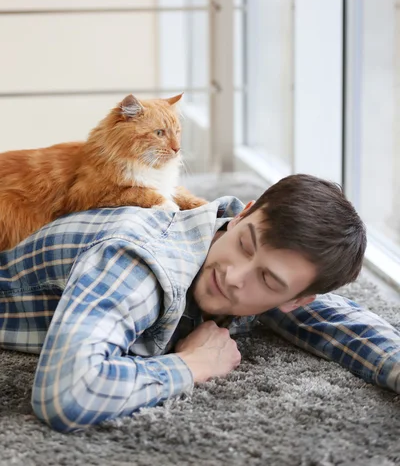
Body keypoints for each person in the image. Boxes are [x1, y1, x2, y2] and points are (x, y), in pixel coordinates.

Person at [0, 174, 399, 433]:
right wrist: (193, 365)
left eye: (268, 280)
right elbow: (66, 394)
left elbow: (335, 320)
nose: (234, 276)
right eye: (245, 245)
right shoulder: (140, 265)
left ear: (295, 299)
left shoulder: (246, 264)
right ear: (243, 214)